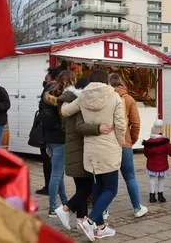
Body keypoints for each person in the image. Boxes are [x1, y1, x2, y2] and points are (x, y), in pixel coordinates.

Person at [62, 69, 126, 241]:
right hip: (109, 148)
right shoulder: (114, 97)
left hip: (90, 150)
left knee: (97, 188)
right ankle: (90, 221)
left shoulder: (83, 97)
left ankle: (99, 228)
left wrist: (63, 99)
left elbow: (65, 111)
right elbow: (120, 124)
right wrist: (120, 142)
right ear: (106, 81)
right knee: (111, 189)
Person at [52, 77, 107, 231]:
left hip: (72, 149)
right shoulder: (79, 104)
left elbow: (67, 127)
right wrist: (98, 128)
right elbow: (80, 127)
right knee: (88, 188)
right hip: (81, 151)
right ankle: (65, 209)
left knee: (81, 188)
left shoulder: (68, 102)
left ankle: (80, 221)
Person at [107, 73, 148, 218]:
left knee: (107, 179)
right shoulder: (129, 99)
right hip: (124, 143)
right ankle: (137, 208)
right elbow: (136, 123)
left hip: (108, 143)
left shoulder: (105, 97)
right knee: (130, 176)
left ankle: (104, 211)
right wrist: (132, 140)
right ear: (122, 83)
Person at [41, 69, 67, 213]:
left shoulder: (46, 93)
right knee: (56, 173)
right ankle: (52, 208)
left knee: (58, 172)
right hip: (59, 138)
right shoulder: (60, 96)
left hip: (48, 137)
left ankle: (64, 201)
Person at [143, 120, 171, 203]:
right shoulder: (165, 143)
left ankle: (152, 196)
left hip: (151, 165)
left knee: (152, 179)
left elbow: (146, 154)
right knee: (161, 179)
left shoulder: (148, 143)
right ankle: (160, 195)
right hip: (162, 166)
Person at [35, 68, 61, 196]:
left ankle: (49, 188)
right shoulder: (60, 89)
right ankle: (54, 189)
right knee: (55, 162)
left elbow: (44, 109)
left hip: (48, 129)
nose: (45, 81)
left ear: (51, 77)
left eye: (46, 78)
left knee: (48, 159)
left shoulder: (50, 89)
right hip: (56, 129)